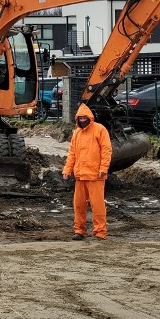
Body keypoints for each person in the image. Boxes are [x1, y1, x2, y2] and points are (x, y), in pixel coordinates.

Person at [62, 103, 113, 241]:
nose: (83, 120)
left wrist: (103, 168)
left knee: (97, 206)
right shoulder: (76, 133)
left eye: (85, 118)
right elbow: (72, 153)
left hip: (96, 175)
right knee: (78, 205)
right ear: (77, 119)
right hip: (80, 175)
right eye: (81, 118)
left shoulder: (100, 130)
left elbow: (106, 150)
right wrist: (67, 169)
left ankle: (100, 232)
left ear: (89, 118)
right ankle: (79, 230)